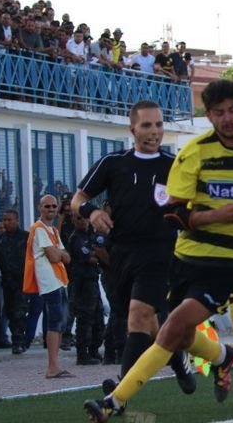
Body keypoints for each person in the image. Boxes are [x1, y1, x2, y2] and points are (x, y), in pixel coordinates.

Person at [83, 80, 233, 423]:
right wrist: (91, 212)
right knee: (176, 332)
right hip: (173, 257)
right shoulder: (190, 154)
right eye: (219, 112)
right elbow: (175, 213)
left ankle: (115, 399)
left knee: (153, 322)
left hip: (209, 261)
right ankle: (220, 356)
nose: (228, 118)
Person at [71, 100, 196, 396]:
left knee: (137, 317)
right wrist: (92, 212)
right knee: (148, 323)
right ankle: (178, 359)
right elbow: (77, 199)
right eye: (147, 125)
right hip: (121, 255)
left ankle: (120, 393)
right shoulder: (113, 163)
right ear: (132, 129)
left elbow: (196, 206)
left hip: (161, 252)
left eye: (159, 125)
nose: (155, 131)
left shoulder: (175, 165)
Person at [24, 195, 72, 378]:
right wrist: (59, 253)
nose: (51, 209)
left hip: (59, 280)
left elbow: (66, 257)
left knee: (60, 323)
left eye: (53, 206)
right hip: (50, 281)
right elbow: (55, 256)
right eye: (47, 206)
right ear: (40, 208)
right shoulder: (39, 229)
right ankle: (52, 366)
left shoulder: (53, 230)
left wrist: (59, 253)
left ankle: (55, 365)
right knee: (54, 322)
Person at [0, 208, 28, 354]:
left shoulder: (26, 237)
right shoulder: (0, 239)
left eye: (9, 220)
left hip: (22, 280)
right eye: (4, 220)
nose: (6, 222)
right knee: (10, 311)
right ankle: (17, 339)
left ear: (17, 220)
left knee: (19, 311)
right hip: (6, 281)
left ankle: (18, 341)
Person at [67, 215, 104, 365]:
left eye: (84, 218)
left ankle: (93, 350)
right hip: (82, 282)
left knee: (98, 317)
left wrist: (97, 254)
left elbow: (100, 252)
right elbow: (90, 257)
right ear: (74, 221)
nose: (82, 221)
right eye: (78, 219)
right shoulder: (76, 238)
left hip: (92, 279)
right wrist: (97, 254)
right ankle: (82, 354)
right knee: (85, 317)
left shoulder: (91, 235)